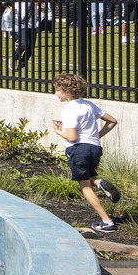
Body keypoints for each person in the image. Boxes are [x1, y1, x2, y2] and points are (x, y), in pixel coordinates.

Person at [50, 74, 120, 234]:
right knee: (86, 177)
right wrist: (96, 136)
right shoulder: (89, 105)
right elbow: (112, 121)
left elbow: (72, 137)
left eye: (58, 90)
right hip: (94, 148)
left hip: (78, 149)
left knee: (84, 186)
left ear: (67, 91)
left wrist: (58, 131)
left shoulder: (68, 109)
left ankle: (107, 222)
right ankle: (99, 183)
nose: (56, 94)